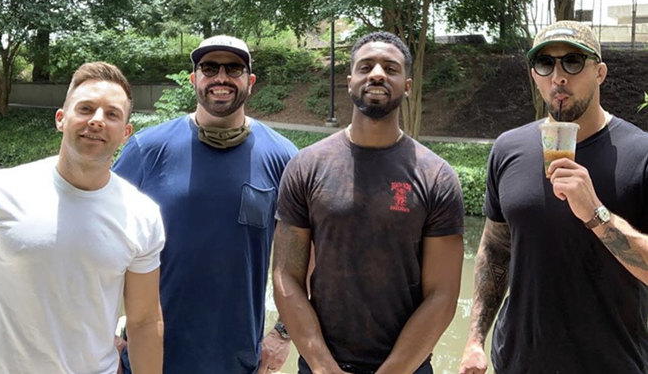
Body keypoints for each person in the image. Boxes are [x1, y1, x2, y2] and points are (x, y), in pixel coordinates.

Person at [459, 20, 648, 374]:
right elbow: (496, 250)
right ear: (534, 75)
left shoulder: (640, 154)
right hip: (517, 363)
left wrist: (596, 214)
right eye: (545, 64)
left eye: (573, 62)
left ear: (600, 72)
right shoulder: (508, 149)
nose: (558, 76)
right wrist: (474, 340)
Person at [273, 31, 465, 374]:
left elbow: (443, 294)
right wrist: (320, 365)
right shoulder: (306, 167)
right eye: (366, 67)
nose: (377, 73)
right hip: (321, 367)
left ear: (407, 86)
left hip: (407, 368)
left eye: (390, 68)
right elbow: (286, 275)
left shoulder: (436, 176)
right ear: (350, 82)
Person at [113, 35, 298, 374]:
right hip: (149, 358)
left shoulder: (284, 158)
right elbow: (98, 237)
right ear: (194, 79)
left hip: (241, 360)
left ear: (250, 81)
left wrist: (283, 333)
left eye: (234, 68)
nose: (221, 78)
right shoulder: (147, 149)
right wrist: (102, 331)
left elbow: (306, 257)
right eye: (209, 68)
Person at [0, 62, 165, 374]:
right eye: (85, 108)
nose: (97, 120)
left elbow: (143, 321)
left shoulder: (143, 215)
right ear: (61, 119)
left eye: (112, 114)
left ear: (125, 133)